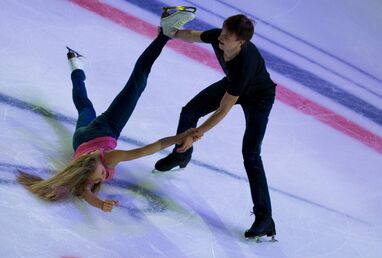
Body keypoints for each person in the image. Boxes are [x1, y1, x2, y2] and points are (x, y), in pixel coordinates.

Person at [17, 8, 200, 212]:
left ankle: (164, 34)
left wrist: (180, 137)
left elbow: (150, 148)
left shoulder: (109, 159)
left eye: (101, 173)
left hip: (106, 128)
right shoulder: (82, 173)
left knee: (137, 84)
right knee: (84, 105)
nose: (104, 175)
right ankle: (75, 65)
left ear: (94, 161)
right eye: (103, 175)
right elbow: (86, 192)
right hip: (80, 139)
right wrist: (101, 203)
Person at [154, 14, 278, 240]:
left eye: (227, 36)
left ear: (241, 41)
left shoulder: (244, 64)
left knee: (251, 154)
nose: (221, 37)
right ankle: (181, 156)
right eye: (222, 32)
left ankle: (265, 217)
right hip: (232, 86)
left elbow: (222, 110)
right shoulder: (219, 38)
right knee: (189, 111)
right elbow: (192, 35)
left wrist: (195, 134)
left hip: (259, 97)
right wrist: (168, 32)